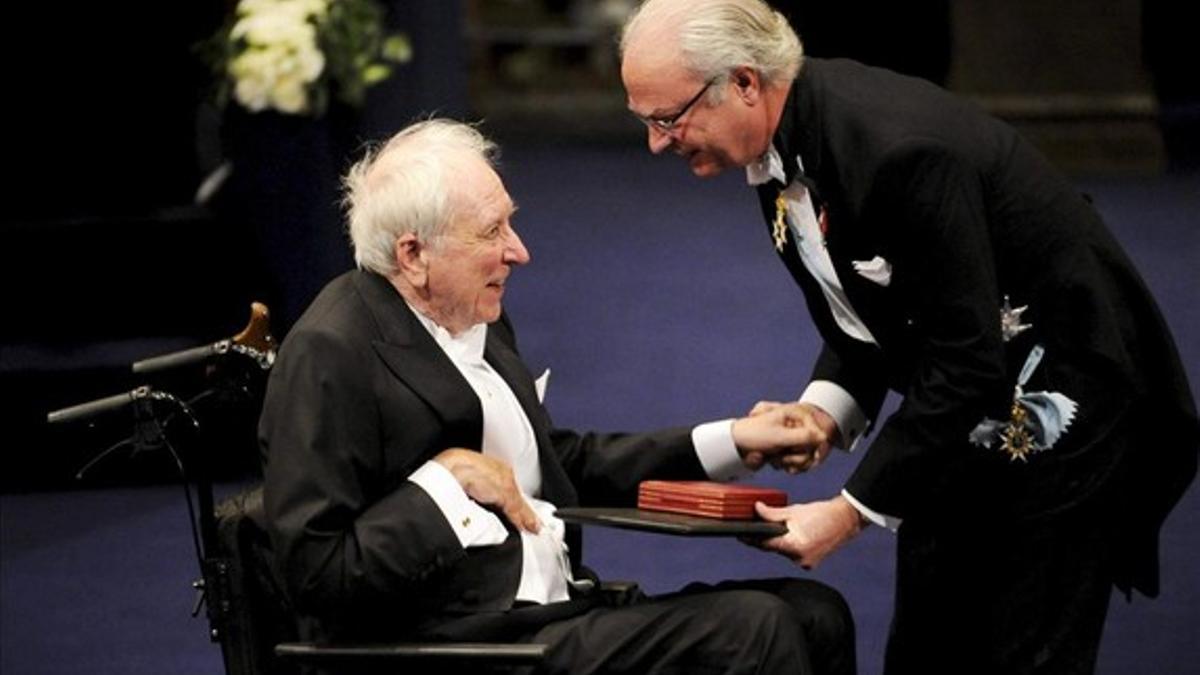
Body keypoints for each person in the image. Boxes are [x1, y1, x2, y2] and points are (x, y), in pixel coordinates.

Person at [618, 0, 1199, 672]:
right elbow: (873, 307)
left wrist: (846, 512)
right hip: (966, 403)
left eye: (668, 118)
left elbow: (965, 361)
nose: (657, 143)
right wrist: (824, 411)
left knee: (1022, 646)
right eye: (645, 121)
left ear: (745, 82)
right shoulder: (776, 137)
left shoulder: (896, 151)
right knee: (928, 642)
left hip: (1067, 401)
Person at [258, 118, 857, 675]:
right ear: (414, 255)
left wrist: (733, 440)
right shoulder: (330, 352)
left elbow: (554, 467)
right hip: (466, 644)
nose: (519, 251)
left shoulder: (476, 314)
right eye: (492, 232)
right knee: (758, 631)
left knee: (816, 614)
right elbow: (317, 576)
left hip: (553, 612)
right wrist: (445, 485)